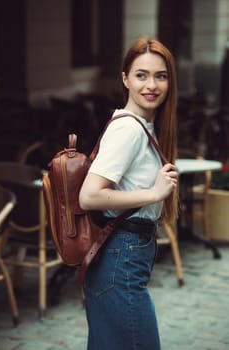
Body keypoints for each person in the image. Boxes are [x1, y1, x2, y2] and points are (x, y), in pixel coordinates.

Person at [79, 37, 179, 350]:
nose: (152, 85)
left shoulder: (143, 126)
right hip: (121, 253)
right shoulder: (128, 129)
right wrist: (153, 194)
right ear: (125, 79)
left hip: (125, 253)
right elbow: (90, 196)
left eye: (160, 76)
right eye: (141, 75)